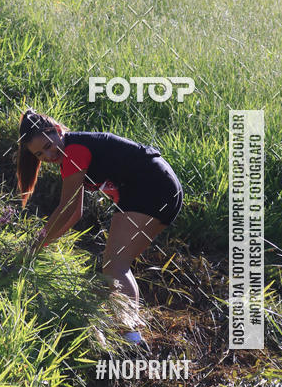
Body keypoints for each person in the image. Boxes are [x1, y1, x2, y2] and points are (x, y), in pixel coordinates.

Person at [16, 109, 183, 348]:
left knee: (115, 265)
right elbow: (75, 214)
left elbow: (65, 208)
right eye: (40, 154)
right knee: (116, 266)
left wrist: (32, 248)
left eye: (48, 146)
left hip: (151, 186)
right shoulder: (71, 154)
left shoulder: (74, 150)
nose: (49, 155)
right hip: (166, 188)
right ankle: (120, 333)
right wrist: (42, 246)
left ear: (57, 131)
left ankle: (131, 340)